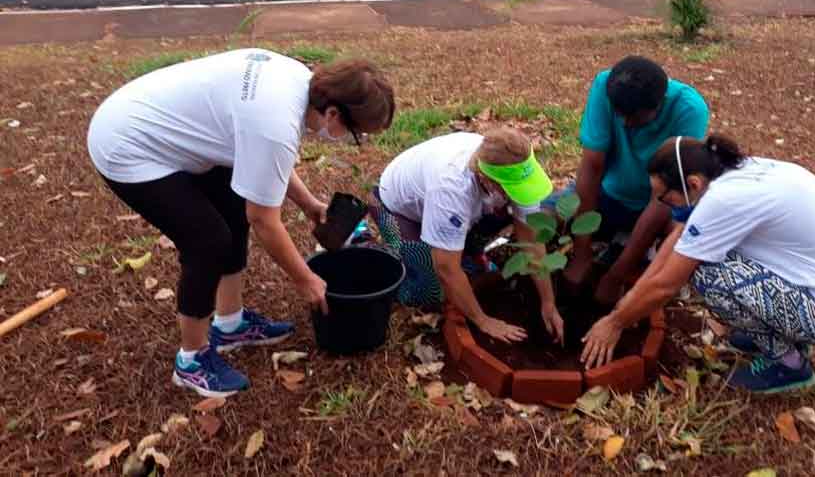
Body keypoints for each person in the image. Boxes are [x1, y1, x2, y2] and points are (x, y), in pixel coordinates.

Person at [87, 50, 395, 398]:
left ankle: (230, 324)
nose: (358, 143)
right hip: (128, 143)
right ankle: (192, 361)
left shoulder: (297, 82)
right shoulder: (276, 121)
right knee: (207, 241)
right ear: (335, 113)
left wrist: (309, 204)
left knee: (234, 206)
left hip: (157, 121)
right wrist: (305, 279)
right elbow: (264, 220)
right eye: (358, 135)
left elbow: (262, 158)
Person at [582, 135, 815, 393]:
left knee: (706, 272)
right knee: (701, 257)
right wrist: (629, 301)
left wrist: (615, 322)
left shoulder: (722, 201)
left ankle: (790, 366)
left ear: (693, 183)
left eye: (665, 198)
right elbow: (679, 240)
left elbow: (667, 283)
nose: (663, 206)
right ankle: (781, 334)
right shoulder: (745, 172)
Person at [368, 128, 563, 345]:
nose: (521, 193)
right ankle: (376, 251)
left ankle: (462, 249)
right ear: (485, 177)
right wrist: (483, 321)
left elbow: (531, 242)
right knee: (428, 293)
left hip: (454, 209)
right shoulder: (452, 188)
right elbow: (446, 269)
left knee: (493, 226)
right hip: (398, 209)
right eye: (510, 188)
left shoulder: (517, 173)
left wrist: (548, 302)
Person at [563, 56, 709, 303]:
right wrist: (581, 252)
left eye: (635, 117)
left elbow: (666, 197)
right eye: (620, 114)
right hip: (607, 196)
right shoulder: (605, 86)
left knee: (683, 240)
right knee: (543, 212)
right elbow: (592, 165)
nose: (624, 123)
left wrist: (616, 276)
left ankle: (639, 273)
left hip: (657, 206)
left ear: (659, 105)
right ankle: (616, 243)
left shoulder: (689, 110)